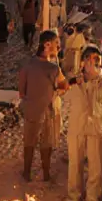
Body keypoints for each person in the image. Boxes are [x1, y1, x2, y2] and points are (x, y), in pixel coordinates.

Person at [64, 47, 102, 201]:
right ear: (83, 61)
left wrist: (92, 80)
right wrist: (77, 82)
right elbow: (65, 95)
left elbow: (99, 100)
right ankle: (74, 195)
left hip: (95, 126)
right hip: (77, 125)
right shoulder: (74, 80)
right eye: (90, 59)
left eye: (96, 59)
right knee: (75, 163)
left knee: (96, 164)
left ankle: (93, 197)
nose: (93, 62)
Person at [18, 30, 67, 182]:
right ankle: (46, 173)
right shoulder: (53, 69)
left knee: (29, 142)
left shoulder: (27, 65)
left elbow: (21, 91)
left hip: (31, 110)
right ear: (47, 45)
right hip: (47, 111)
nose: (58, 46)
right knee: (46, 143)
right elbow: (64, 86)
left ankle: (27, 173)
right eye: (55, 43)